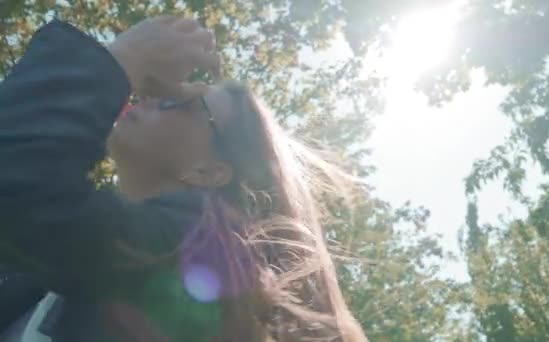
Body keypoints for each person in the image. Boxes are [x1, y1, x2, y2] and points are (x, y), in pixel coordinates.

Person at [0, 15, 368, 342]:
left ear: (210, 171)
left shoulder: (202, 255)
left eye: (181, 101)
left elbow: (18, 181)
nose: (146, 96)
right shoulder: (80, 256)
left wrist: (129, 54)